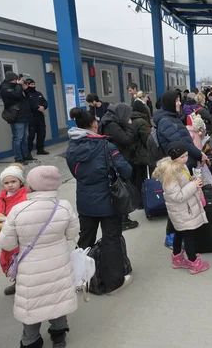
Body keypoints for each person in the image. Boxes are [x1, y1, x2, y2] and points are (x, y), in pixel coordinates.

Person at [0, 166, 79, 348]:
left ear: (31, 186)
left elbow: (6, 244)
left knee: (32, 305)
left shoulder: (18, 210)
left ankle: (31, 340)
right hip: (59, 263)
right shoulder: (64, 206)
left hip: (30, 268)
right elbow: (72, 233)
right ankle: (59, 335)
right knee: (58, 297)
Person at [66, 108, 133, 295]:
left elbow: (76, 173)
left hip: (85, 201)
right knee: (111, 239)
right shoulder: (105, 145)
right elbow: (126, 171)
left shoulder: (71, 147)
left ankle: (80, 279)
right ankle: (114, 282)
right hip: (109, 201)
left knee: (85, 238)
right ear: (94, 124)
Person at [152, 142, 210, 274]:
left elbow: (183, 185)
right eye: (182, 156)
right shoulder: (170, 174)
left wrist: (193, 180)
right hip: (182, 209)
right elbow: (177, 196)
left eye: (186, 155)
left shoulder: (180, 167)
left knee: (179, 233)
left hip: (182, 209)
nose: (186, 159)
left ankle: (177, 258)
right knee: (188, 236)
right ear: (174, 157)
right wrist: (194, 185)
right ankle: (194, 262)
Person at [98, 103, 139, 230]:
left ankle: (123, 218)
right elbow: (125, 139)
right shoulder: (112, 125)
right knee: (121, 188)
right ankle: (123, 220)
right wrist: (130, 125)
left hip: (114, 158)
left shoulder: (110, 120)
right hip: (117, 160)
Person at [0, 163, 29, 295]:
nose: (10, 185)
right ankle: (16, 281)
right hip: (6, 234)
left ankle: (23, 285)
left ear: (20, 181)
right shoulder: (1, 197)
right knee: (11, 260)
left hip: (20, 235)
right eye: (6, 182)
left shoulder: (25, 196)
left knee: (22, 259)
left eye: (13, 181)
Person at [153, 90, 206, 169]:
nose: (180, 103)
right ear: (169, 102)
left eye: (179, 100)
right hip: (179, 164)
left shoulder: (172, 118)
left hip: (183, 161)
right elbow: (182, 142)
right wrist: (199, 154)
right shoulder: (166, 121)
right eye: (176, 101)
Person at [0, 72, 34, 164]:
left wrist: (25, 89)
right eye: (16, 79)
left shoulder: (16, 87)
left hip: (24, 116)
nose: (17, 81)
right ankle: (18, 158)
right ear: (12, 79)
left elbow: (27, 98)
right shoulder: (5, 88)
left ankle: (26, 155)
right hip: (17, 117)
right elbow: (16, 96)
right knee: (18, 138)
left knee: (25, 137)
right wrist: (19, 85)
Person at [129, 100, 154, 197]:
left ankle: (136, 197)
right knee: (142, 176)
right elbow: (146, 139)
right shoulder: (141, 121)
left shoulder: (130, 120)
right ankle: (142, 199)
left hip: (133, 152)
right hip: (142, 152)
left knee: (136, 176)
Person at [25, 76, 49, 156]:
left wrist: (43, 107)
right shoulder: (26, 95)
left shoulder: (38, 94)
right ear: (27, 85)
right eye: (31, 84)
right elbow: (29, 104)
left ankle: (40, 149)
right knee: (31, 135)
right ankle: (28, 151)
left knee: (42, 133)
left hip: (40, 116)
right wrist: (37, 107)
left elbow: (45, 102)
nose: (33, 86)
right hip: (31, 117)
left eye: (34, 84)